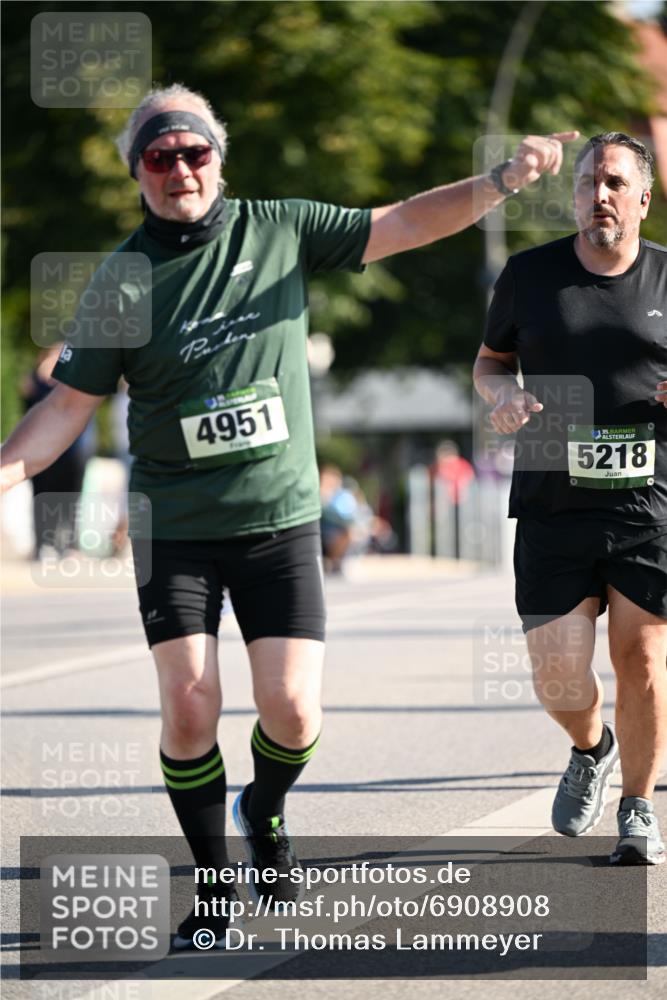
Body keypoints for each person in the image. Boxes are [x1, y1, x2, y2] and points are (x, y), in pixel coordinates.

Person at [0, 81, 578, 946]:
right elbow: (61, 412)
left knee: (293, 714)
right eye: (158, 157)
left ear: (217, 159)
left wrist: (499, 180)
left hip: (277, 520)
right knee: (190, 706)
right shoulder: (121, 280)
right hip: (177, 526)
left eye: (193, 152)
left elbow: (405, 223)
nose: (178, 170)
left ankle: (262, 807)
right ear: (138, 173)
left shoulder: (278, 228)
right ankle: (215, 889)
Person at [474, 132, 666, 866]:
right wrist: (502, 398)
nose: (599, 194)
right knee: (556, 674)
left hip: (648, 498)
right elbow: (491, 362)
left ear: (642, 198)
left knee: (641, 658)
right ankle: (591, 745)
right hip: (552, 492)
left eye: (615, 182)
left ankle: (639, 808)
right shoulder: (529, 276)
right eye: (588, 183)